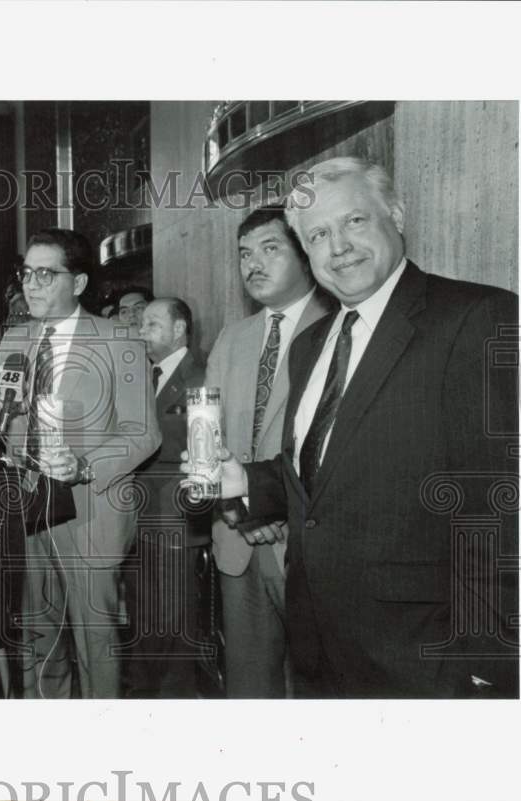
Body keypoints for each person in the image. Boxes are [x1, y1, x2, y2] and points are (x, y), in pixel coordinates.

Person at [189, 158, 519, 698]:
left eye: (354, 222)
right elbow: (326, 474)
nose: (338, 246)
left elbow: (505, 509)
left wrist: (489, 665)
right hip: (320, 648)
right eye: (318, 234)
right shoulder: (311, 347)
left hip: (425, 661)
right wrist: (249, 482)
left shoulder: (476, 319)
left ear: (397, 213)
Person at [0, 228, 161, 698]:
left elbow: (143, 433)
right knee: (37, 632)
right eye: (27, 273)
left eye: (46, 274)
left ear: (81, 282)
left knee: (95, 638)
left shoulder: (120, 340)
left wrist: (83, 465)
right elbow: (4, 417)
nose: (32, 284)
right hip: (30, 508)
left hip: (91, 510)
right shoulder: (16, 338)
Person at [205, 205, 335, 698]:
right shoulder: (232, 338)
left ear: (304, 255)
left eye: (270, 249)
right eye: (244, 254)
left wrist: (276, 503)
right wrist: (240, 506)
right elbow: (208, 435)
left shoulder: (339, 327)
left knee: (315, 692)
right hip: (237, 538)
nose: (252, 264)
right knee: (250, 688)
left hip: (305, 543)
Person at [126, 296, 211, 697]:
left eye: (152, 325)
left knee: (174, 619)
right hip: (138, 514)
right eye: (141, 325)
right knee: (144, 614)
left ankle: (174, 701)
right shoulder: (143, 375)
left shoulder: (201, 376)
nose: (142, 332)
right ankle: (144, 696)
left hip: (176, 516)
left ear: (179, 330)